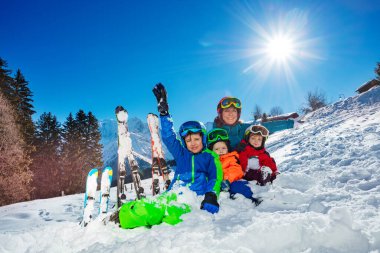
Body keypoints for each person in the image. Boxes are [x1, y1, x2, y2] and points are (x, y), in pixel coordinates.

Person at [118, 83, 223, 229]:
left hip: (192, 197)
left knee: (173, 217)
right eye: (188, 140)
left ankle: (159, 233)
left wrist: (211, 194)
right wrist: (164, 114)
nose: (192, 143)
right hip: (172, 193)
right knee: (150, 207)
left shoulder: (209, 157)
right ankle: (122, 217)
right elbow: (168, 137)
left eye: (196, 139)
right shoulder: (181, 154)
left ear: (203, 139)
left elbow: (215, 177)